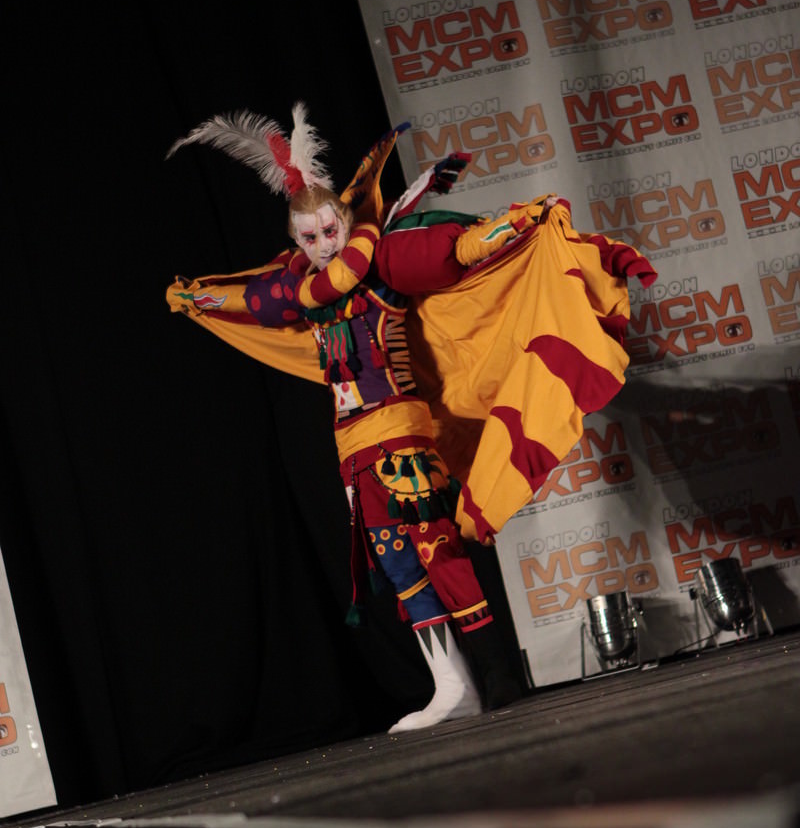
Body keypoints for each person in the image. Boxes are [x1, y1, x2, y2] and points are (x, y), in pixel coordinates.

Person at [166, 104, 656, 732]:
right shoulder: (300, 293)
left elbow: (454, 253)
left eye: (330, 230)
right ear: (296, 240)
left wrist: (511, 226)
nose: (324, 244)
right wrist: (195, 297)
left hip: (401, 435)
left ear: (345, 222)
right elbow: (252, 300)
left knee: (437, 548)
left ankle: (498, 674)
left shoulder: (382, 265)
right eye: (309, 238)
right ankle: (452, 684)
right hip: (352, 448)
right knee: (396, 563)